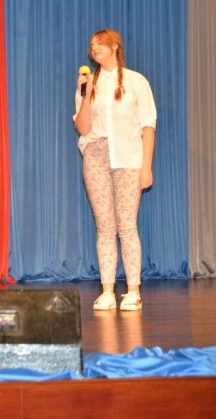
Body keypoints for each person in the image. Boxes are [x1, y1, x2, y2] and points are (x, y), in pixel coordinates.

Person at [74, 29, 156, 311]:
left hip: (128, 158)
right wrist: (86, 94)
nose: (94, 48)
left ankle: (133, 291)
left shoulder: (136, 81)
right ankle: (108, 290)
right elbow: (82, 127)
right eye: (91, 45)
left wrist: (146, 167)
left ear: (115, 47)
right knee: (105, 227)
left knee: (127, 225)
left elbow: (148, 126)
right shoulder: (89, 84)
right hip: (96, 157)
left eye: (99, 44)